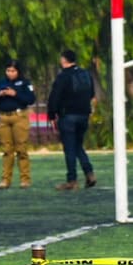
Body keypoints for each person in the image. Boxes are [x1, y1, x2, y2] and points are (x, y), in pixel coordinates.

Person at [46, 49, 96, 191]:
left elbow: (55, 96)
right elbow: (91, 94)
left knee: (69, 148)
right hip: (84, 115)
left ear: (63, 60)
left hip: (68, 116)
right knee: (78, 145)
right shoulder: (86, 74)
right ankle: (89, 173)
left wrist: (52, 115)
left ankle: (72, 180)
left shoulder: (63, 77)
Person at [0, 58, 36, 189]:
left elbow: (31, 99)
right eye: (8, 70)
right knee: (7, 150)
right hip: (4, 118)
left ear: (18, 71)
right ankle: (5, 179)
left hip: (19, 116)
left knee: (21, 149)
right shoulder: (1, 83)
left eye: (13, 71)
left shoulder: (25, 83)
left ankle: (25, 179)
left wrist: (15, 94)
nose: (10, 73)